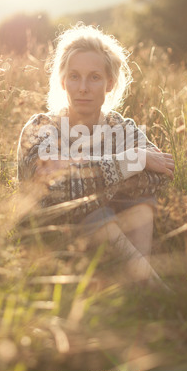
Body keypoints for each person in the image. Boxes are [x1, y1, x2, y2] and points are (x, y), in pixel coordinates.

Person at [17, 23, 175, 287]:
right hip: (53, 241)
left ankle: (138, 284)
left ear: (109, 83)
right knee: (93, 210)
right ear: (63, 81)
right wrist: (133, 160)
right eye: (74, 76)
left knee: (140, 201)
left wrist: (84, 179)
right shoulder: (42, 127)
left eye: (94, 77)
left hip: (119, 232)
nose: (83, 88)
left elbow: (162, 174)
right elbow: (53, 189)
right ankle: (152, 288)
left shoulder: (123, 128)